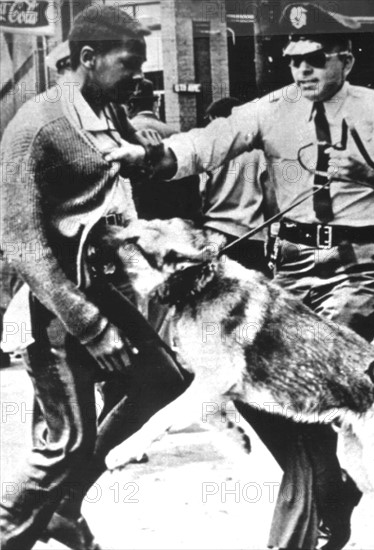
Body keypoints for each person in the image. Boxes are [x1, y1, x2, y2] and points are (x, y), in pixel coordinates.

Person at [106, 3, 374, 549]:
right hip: (292, 269)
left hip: (359, 269)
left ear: (345, 58)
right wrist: (144, 157)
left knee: (333, 396)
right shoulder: (271, 109)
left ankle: (313, 524)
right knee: (296, 414)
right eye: (292, 61)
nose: (301, 71)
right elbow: (205, 142)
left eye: (313, 59)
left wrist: (372, 175)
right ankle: (327, 506)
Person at [0, 7, 190, 550]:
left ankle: (65, 503)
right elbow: (21, 244)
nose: (140, 76)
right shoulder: (37, 126)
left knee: (163, 379)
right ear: (88, 58)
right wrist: (87, 324)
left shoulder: (107, 109)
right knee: (66, 442)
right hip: (55, 303)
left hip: (105, 287)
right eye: (129, 64)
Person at [201, 96, 277, 274]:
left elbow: (200, 193)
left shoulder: (209, 149)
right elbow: (271, 197)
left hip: (214, 233)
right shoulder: (260, 151)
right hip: (251, 236)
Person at [127, 77, 201, 221]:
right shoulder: (174, 133)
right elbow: (191, 185)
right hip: (172, 221)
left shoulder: (124, 137)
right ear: (155, 102)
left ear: (130, 104)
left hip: (138, 221)